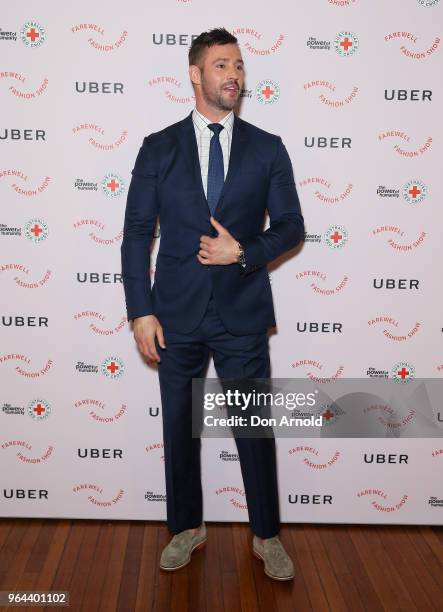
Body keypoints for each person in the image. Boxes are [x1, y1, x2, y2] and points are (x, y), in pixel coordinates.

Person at [120, 27, 304, 581]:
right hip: (173, 313)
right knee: (178, 426)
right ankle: (185, 527)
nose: (234, 75)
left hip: (242, 313)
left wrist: (242, 250)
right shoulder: (158, 147)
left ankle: (266, 536)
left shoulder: (267, 147)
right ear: (196, 74)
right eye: (222, 65)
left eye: (240, 66)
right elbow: (135, 233)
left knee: (254, 428)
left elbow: (293, 227)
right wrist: (140, 311)